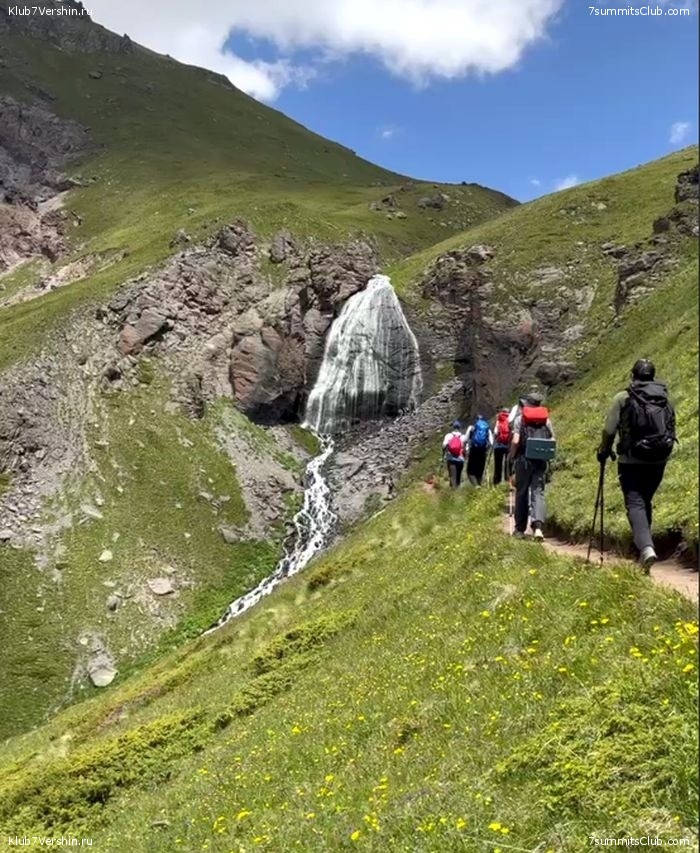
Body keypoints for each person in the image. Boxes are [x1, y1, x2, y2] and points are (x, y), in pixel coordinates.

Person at [596, 359, 676, 572]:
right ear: (652, 375)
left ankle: (646, 548)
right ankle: (642, 549)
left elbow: (609, 429)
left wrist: (604, 450)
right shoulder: (664, 397)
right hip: (658, 459)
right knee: (644, 500)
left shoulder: (623, 397)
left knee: (635, 502)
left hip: (631, 460)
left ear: (633, 375)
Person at [508, 393, 556, 539]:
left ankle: (519, 529)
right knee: (538, 492)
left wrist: (511, 456)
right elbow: (552, 439)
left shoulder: (520, 419)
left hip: (524, 459)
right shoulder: (546, 420)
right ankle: (538, 528)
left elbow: (516, 441)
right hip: (540, 460)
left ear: (527, 404)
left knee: (522, 492)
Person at [464, 414, 493, 487]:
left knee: (470, 471)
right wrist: (487, 450)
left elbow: (465, 440)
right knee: (480, 470)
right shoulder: (487, 428)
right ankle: (479, 485)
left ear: (476, 420)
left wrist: (466, 449)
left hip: (473, 451)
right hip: (483, 451)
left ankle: (476, 486)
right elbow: (491, 442)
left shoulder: (471, 427)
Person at [442, 420, 467, 488]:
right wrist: (465, 457)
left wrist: (443, 454)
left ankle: (452, 490)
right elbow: (466, 449)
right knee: (458, 476)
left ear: (453, 427)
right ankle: (457, 489)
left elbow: (444, 446)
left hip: (451, 458)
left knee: (452, 476)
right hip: (460, 459)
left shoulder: (448, 435)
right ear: (460, 427)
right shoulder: (463, 437)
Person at [492, 407, 512, 485]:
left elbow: (495, 432)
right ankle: (507, 480)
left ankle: (497, 482)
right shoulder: (510, 420)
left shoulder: (499, 419)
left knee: (498, 464)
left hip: (498, 445)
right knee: (508, 464)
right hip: (508, 446)